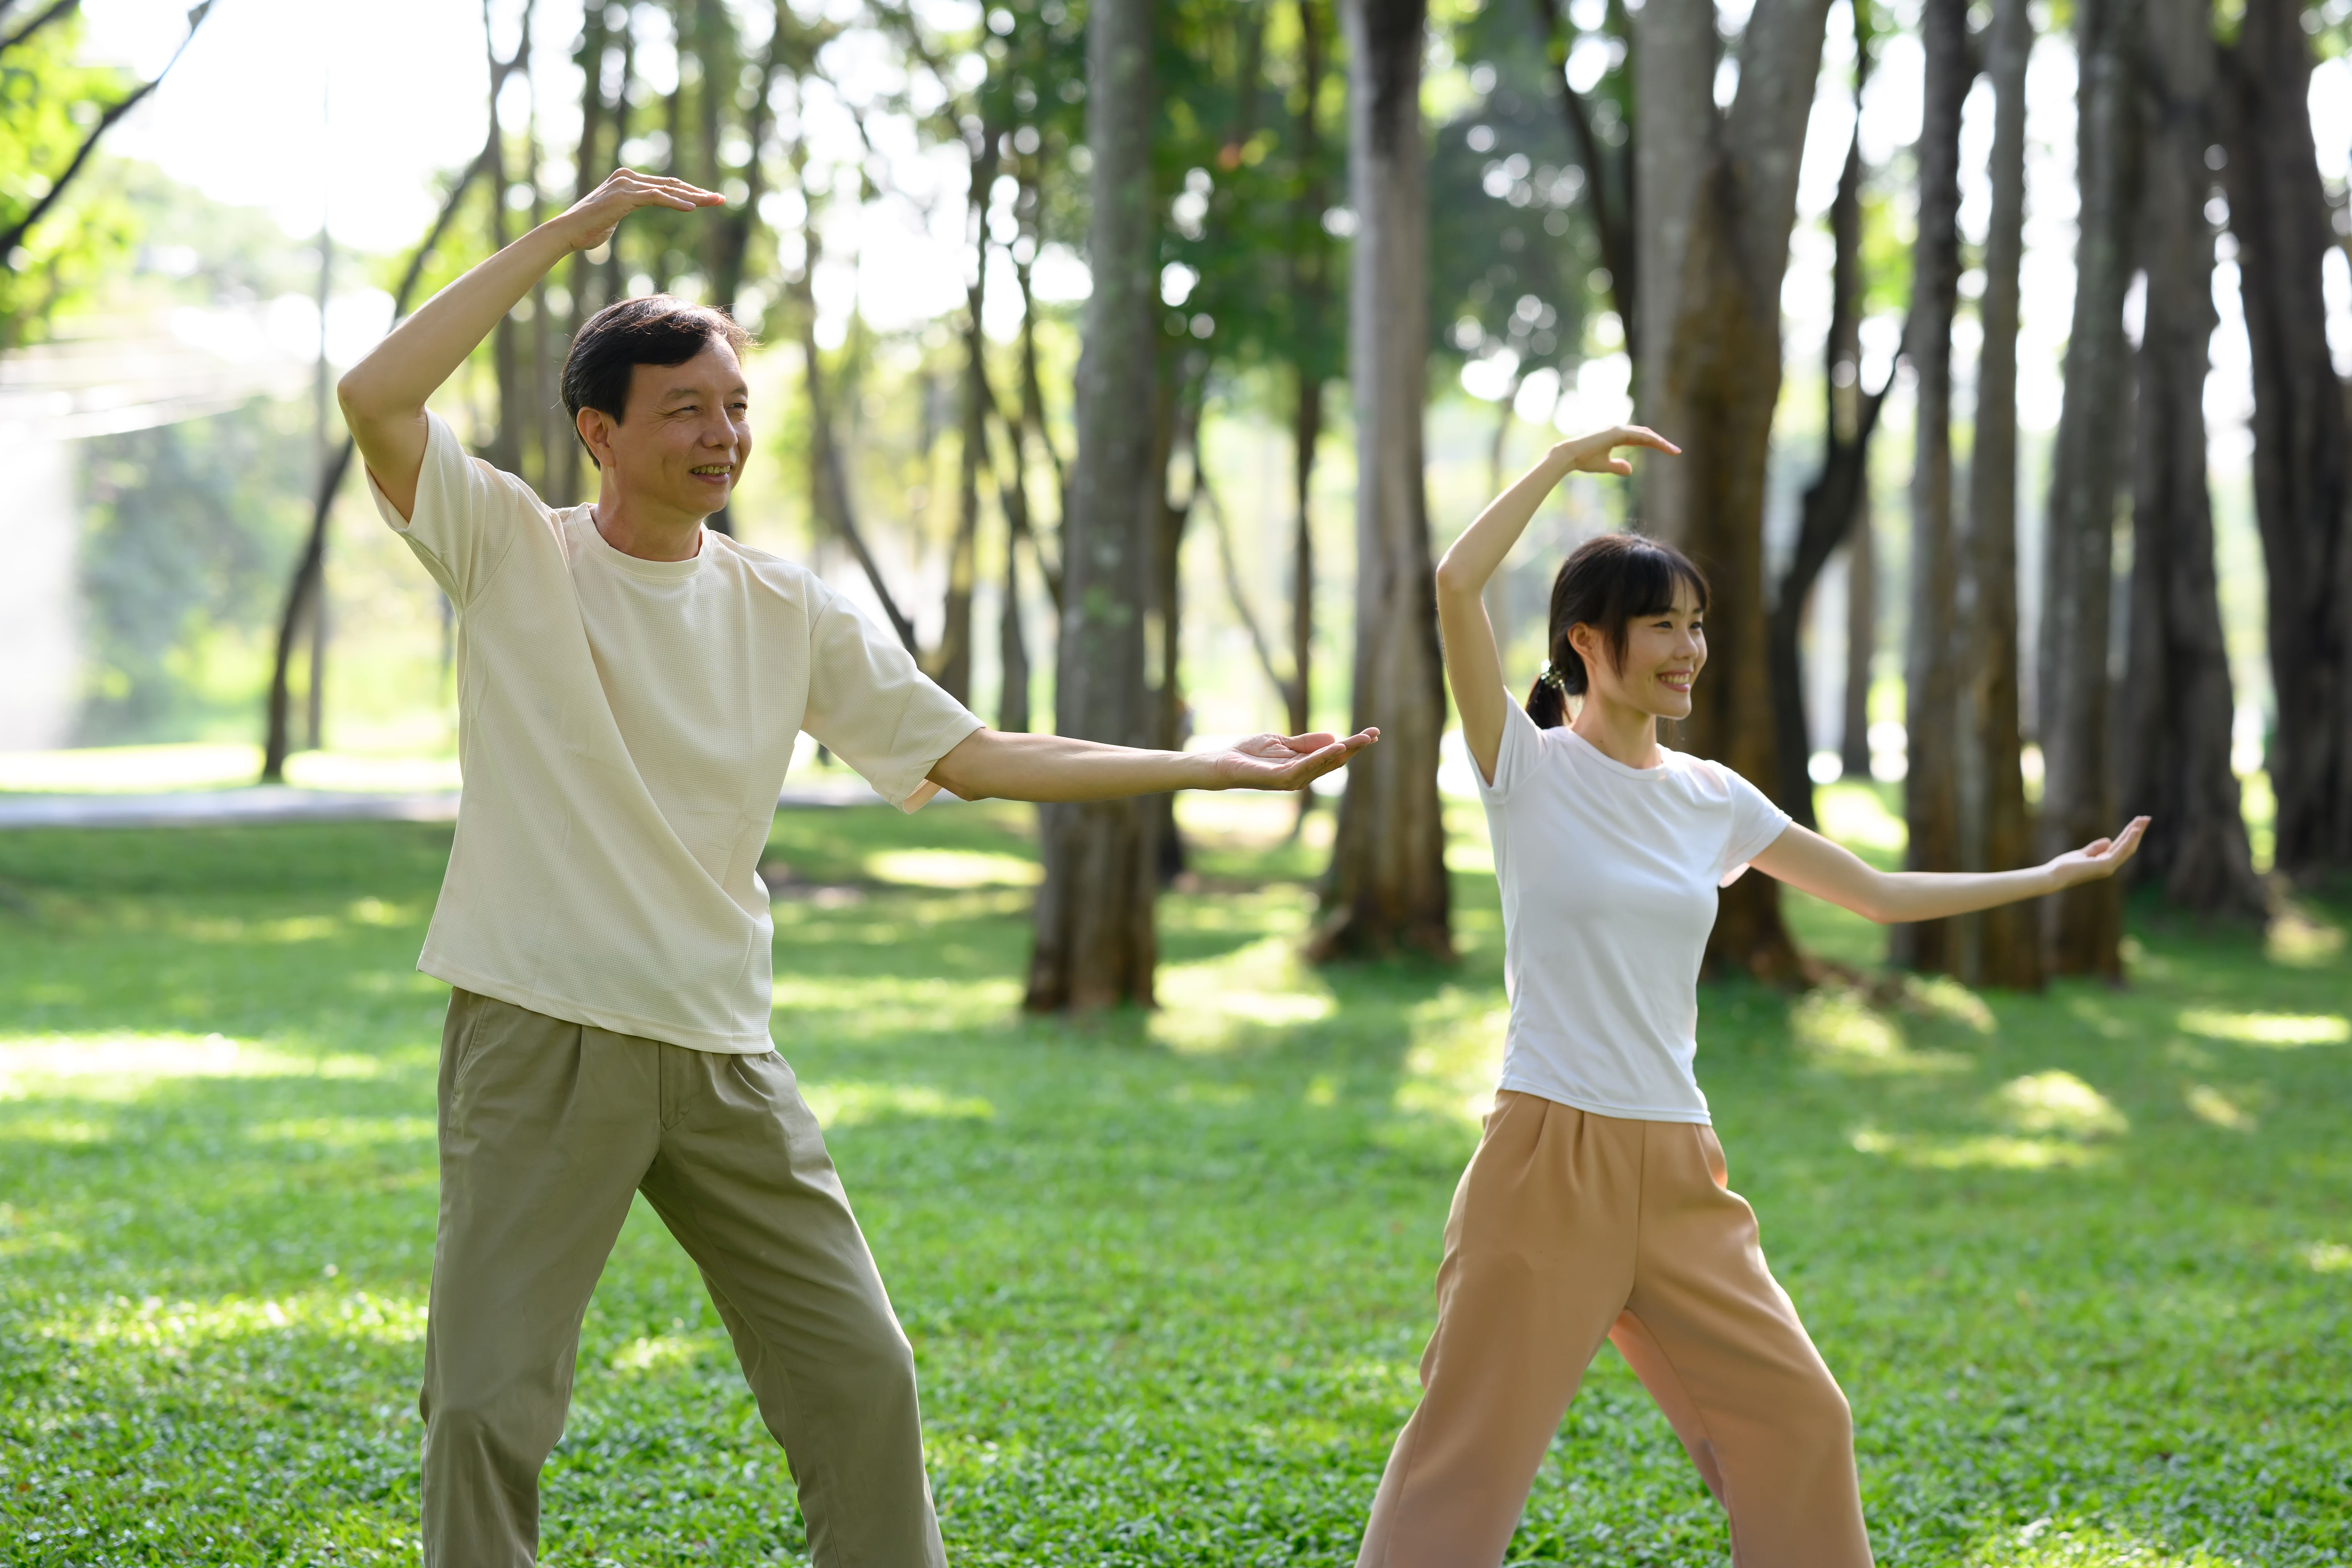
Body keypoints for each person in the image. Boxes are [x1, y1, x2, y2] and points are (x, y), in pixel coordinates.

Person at [335, 167, 1376, 1568]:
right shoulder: (514, 547)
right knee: (483, 1404)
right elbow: (376, 396)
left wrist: (1202, 765)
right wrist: (565, 237)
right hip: (543, 1030)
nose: (724, 435)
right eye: (687, 409)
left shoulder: (783, 605)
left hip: (719, 1048)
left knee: (862, 1378)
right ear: (602, 432)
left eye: (736, 407)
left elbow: (972, 753)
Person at [1353, 426, 2147, 1568]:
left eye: (1696, 623)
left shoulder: (1710, 798)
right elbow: (1454, 583)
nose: (1690, 649)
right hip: (1547, 1162)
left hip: (1681, 1168)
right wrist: (1563, 461)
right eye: (1663, 625)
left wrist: (2049, 875)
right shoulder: (1522, 769)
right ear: (1588, 642)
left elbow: (1871, 894)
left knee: (1799, 1420)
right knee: (1466, 1453)